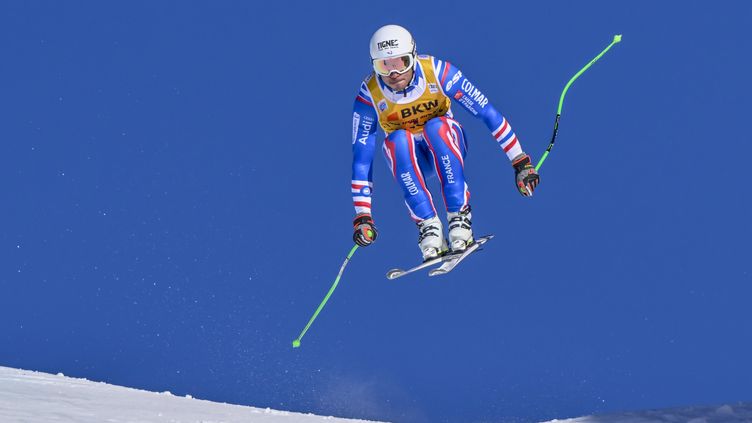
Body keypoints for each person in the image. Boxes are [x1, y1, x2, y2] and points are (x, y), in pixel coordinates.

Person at [351, 24, 539, 261]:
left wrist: (520, 162)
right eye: (384, 66)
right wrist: (363, 215)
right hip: (413, 161)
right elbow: (362, 158)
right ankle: (429, 226)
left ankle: (458, 216)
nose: (393, 74)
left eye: (400, 63)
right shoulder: (369, 94)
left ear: (413, 56)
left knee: (436, 127)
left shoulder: (437, 71)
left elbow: (487, 113)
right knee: (396, 140)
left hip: (446, 145)